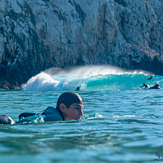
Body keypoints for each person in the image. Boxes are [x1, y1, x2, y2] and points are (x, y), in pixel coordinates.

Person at [0, 92, 83, 125]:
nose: (81, 114)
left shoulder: (54, 114)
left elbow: (24, 115)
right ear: (63, 107)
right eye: (77, 108)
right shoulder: (56, 118)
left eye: (82, 109)